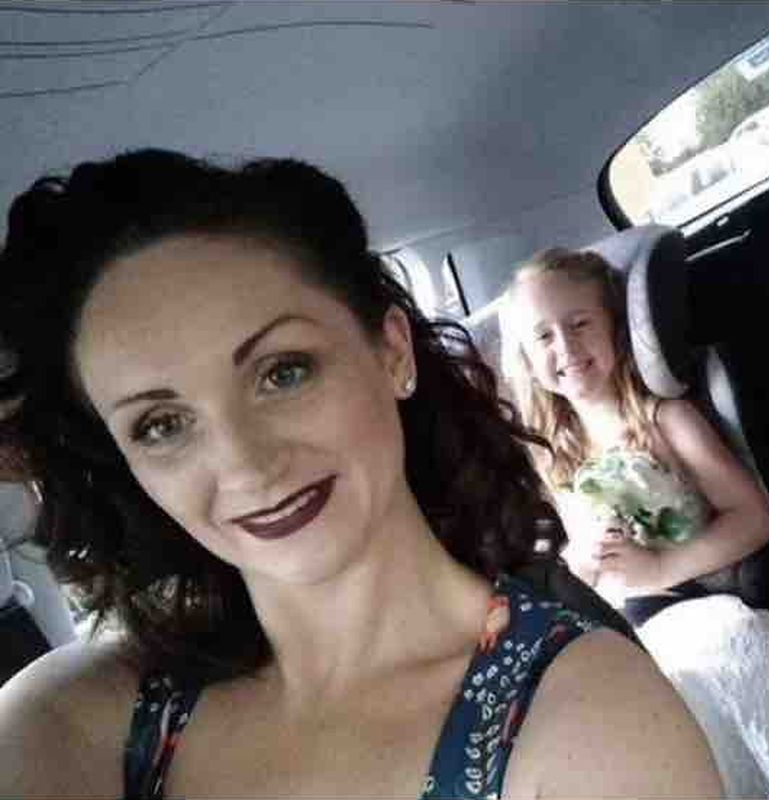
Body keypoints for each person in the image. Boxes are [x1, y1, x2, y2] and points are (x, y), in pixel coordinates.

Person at [0, 150, 722, 799]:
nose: (245, 465)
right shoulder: (63, 721)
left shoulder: (593, 722)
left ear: (392, 353)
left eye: (283, 373)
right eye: (161, 425)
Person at [500, 248, 769, 800]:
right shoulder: (551, 455)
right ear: (527, 359)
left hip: (699, 603)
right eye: (544, 336)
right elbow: (578, 566)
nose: (567, 347)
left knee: (729, 653)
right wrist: (581, 560)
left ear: (615, 327)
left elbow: (756, 518)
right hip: (628, 631)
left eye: (580, 324)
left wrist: (658, 568)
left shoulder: (666, 418)